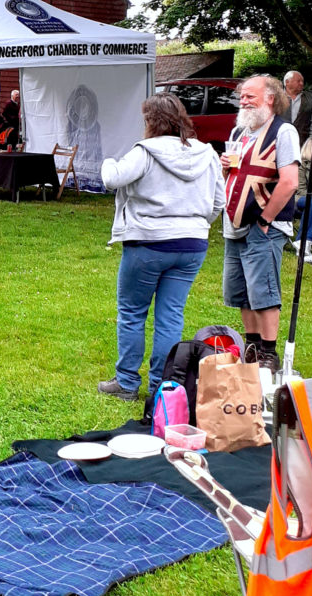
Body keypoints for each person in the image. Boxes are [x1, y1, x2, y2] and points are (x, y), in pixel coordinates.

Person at [96, 93, 226, 402]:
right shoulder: (207, 153)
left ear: (151, 122)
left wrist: (108, 160)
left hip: (149, 242)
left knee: (132, 312)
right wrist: (197, 224)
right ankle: (161, 386)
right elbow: (218, 201)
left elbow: (112, 179)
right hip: (192, 242)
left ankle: (127, 382)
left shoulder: (145, 152)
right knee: (171, 315)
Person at [221, 74, 300, 373]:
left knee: (264, 292)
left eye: (250, 96)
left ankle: (269, 353)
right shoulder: (240, 131)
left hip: (262, 225)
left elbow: (290, 181)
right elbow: (239, 175)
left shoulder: (283, 132)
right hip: (235, 225)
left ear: (270, 97)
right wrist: (225, 165)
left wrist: (266, 219)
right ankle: (251, 347)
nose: (243, 100)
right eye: (242, 96)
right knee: (241, 291)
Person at [283, 70, 312, 144]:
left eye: (302, 81)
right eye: (298, 81)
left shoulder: (309, 98)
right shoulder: (276, 98)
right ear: (287, 82)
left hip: (303, 144)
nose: (301, 83)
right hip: (280, 143)